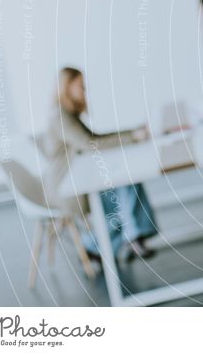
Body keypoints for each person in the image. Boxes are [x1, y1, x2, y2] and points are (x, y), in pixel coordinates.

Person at [42, 67, 158, 263]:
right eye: (81, 86)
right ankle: (124, 239)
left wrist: (133, 133)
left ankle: (99, 246)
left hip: (77, 179)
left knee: (126, 187)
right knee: (125, 188)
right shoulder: (60, 117)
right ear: (67, 87)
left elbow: (93, 138)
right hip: (69, 189)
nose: (84, 91)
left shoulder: (66, 114)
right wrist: (132, 137)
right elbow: (90, 145)